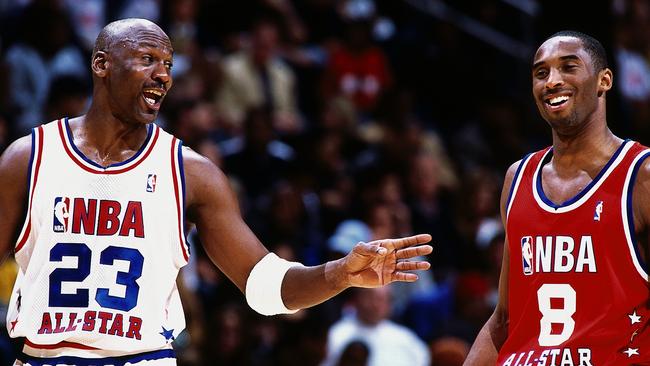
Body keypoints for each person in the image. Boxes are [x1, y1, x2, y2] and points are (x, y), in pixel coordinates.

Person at [0, 18, 433, 365]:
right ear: (101, 65)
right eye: (147, 59)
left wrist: (340, 273)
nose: (163, 75)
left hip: (140, 358)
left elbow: (265, 286)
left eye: (168, 64)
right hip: (43, 358)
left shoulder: (192, 173)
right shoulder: (28, 158)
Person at [465, 30, 650, 365]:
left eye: (568, 67)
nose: (551, 81)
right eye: (541, 73)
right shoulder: (516, 178)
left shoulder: (641, 176)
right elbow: (504, 319)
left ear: (603, 81)